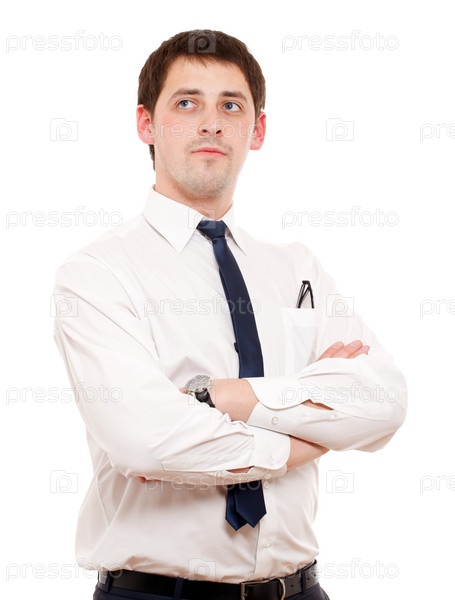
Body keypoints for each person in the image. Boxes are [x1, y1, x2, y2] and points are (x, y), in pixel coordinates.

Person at [53, 29, 407, 600]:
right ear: (146, 124)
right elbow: (146, 442)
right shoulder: (97, 274)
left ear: (257, 130)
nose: (211, 123)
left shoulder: (297, 270)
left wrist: (220, 397)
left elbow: (383, 402)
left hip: (300, 590)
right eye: (186, 103)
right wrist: (304, 438)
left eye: (231, 106)